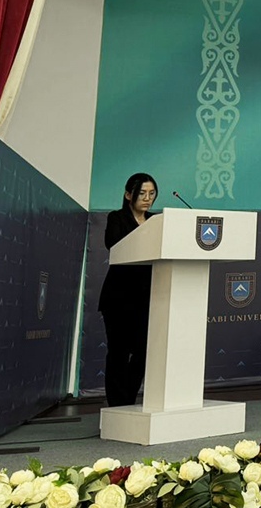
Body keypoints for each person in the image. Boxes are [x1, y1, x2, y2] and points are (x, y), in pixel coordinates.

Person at [100, 172, 158, 406]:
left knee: (144, 351)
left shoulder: (157, 221)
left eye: (152, 194)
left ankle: (128, 400)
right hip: (118, 298)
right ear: (128, 195)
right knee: (118, 352)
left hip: (147, 298)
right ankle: (116, 406)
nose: (147, 198)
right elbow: (113, 245)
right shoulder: (117, 218)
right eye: (142, 193)